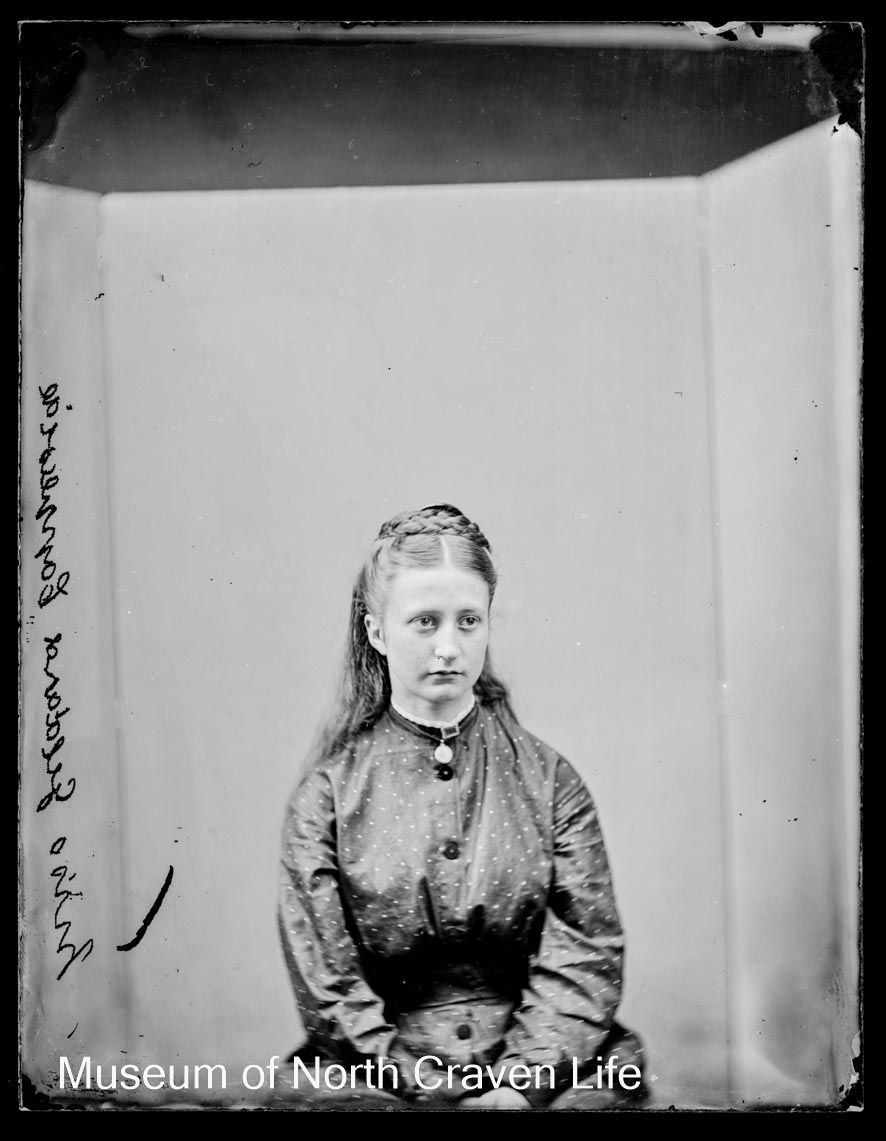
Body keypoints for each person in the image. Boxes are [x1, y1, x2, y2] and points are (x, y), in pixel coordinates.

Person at [277, 504, 647, 1110]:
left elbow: (586, 952)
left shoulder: (550, 780)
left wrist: (518, 1087)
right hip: (384, 1073)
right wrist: (427, 1088)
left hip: (537, 1066)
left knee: (604, 1091)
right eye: (425, 622)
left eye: (468, 621)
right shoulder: (328, 797)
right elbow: (329, 984)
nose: (448, 647)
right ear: (376, 632)